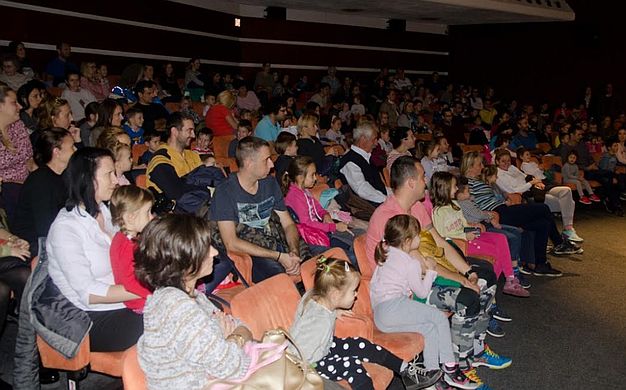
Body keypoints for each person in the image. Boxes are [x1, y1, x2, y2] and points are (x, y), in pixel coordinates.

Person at [366, 156, 509, 362]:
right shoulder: (388, 217)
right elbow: (422, 266)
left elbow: (440, 242)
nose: (427, 181)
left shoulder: (415, 207)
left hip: (422, 273)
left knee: (486, 275)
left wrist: (467, 271)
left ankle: (476, 347)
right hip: (404, 290)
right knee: (467, 296)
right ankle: (461, 359)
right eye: (423, 176)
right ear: (411, 182)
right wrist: (460, 279)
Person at [134, 214, 253, 390]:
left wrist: (230, 339)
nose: (214, 252)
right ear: (184, 261)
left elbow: (242, 327)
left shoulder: (193, 296)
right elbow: (232, 367)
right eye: (205, 248)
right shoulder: (176, 307)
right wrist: (233, 338)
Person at [47, 147, 143, 352]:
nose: (116, 180)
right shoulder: (65, 228)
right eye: (109, 174)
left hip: (125, 304)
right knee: (170, 320)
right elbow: (89, 293)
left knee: (188, 308)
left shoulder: (105, 212)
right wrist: (146, 288)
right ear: (87, 179)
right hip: (91, 318)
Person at [370, 215, 481, 389]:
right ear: (407, 241)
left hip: (380, 316)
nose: (420, 238)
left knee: (429, 329)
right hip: (394, 307)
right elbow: (421, 291)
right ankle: (451, 368)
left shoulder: (385, 253)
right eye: (417, 236)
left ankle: (433, 377)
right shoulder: (410, 262)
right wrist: (430, 271)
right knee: (439, 318)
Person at [291, 257, 431, 389]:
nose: (356, 295)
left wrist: (334, 311)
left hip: (323, 347)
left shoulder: (315, 297)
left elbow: (317, 313)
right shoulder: (318, 323)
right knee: (352, 366)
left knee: (360, 343)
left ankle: (406, 371)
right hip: (312, 365)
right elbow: (299, 354)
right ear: (335, 295)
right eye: (353, 291)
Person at [461, 151, 580, 276]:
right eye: (479, 165)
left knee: (543, 223)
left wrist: (505, 199)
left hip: (502, 209)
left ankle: (540, 264)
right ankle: (559, 243)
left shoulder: (478, 180)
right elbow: (469, 205)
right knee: (543, 208)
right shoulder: (467, 183)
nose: (482, 167)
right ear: (470, 167)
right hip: (497, 213)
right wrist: (487, 215)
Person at [210, 136, 302, 283]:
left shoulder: (270, 183)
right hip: (252, 253)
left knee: (322, 264)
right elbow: (231, 243)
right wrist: (278, 256)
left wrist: (294, 251)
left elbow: (288, 223)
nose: (272, 164)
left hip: (276, 243)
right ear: (249, 164)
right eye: (266, 160)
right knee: (281, 279)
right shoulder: (225, 192)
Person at [430, 172, 528, 297]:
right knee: (495, 251)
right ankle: (489, 291)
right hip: (461, 244)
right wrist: (465, 236)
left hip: (468, 236)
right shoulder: (438, 212)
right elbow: (443, 237)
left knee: (501, 238)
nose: (456, 189)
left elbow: (463, 224)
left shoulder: (455, 205)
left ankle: (510, 279)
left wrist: (471, 226)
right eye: (454, 186)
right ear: (444, 188)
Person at [493, 149, 583, 243]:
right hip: (527, 194)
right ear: (497, 161)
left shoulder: (512, 168)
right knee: (567, 203)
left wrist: (537, 182)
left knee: (566, 191)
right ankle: (565, 233)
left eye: (508, 160)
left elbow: (525, 176)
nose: (507, 163)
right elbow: (513, 191)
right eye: (503, 161)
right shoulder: (499, 175)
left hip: (536, 188)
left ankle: (568, 229)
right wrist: (531, 183)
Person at [12, 128, 76, 255]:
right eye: (72, 146)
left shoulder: (64, 175)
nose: (75, 150)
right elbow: (45, 227)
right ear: (57, 152)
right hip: (35, 243)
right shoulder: (40, 181)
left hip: (57, 234)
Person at [282, 156, 357, 261]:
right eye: (312, 175)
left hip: (320, 232)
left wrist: (325, 214)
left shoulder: (304, 191)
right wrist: (334, 227)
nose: (316, 178)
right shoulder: (294, 196)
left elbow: (318, 207)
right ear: (300, 177)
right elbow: (307, 223)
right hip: (311, 240)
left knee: (356, 239)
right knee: (351, 254)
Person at [109, 186, 154, 313]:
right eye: (148, 212)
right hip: (142, 302)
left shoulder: (131, 238)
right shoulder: (124, 245)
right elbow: (128, 282)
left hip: (145, 295)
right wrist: (154, 292)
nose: (151, 217)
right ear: (131, 217)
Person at [146, 112, 204, 205]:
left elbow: (206, 179)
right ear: (174, 132)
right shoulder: (160, 159)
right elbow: (175, 193)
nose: (193, 135)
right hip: (176, 215)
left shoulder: (193, 155)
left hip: (199, 206)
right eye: (189, 130)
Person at [0, 85, 34, 222]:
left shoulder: (18, 125)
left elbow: (29, 158)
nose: (20, 106)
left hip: (25, 183)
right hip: (6, 190)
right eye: (14, 103)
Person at [338, 121, 388, 205]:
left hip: (380, 201)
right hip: (368, 207)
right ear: (363, 139)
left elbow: (379, 186)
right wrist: (387, 199)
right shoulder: (350, 162)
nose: (376, 143)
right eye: (374, 139)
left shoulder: (367, 158)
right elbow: (362, 189)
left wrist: (395, 194)